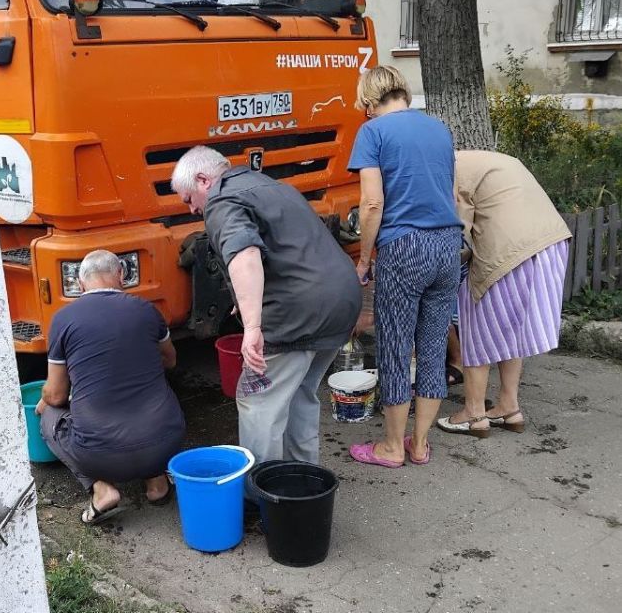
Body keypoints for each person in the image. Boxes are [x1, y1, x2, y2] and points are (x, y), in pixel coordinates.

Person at [171, 146, 361, 467]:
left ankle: (262, 494)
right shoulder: (272, 187)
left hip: (298, 314)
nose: (191, 210)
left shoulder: (221, 202)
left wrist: (253, 327)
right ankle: (299, 483)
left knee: (258, 400)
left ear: (204, 180)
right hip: (342, 302)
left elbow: (245, 255)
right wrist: (245, 303)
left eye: (189, 199)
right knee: (299, 392)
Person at [347, 65, 462, 468]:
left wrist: (364, 259)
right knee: (432, 347)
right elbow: (451, 194)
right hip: (447, 243)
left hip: (404, 246)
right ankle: (420, 443)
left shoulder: (373, 133)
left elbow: (372, 203)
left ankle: (392, 447)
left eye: (365, 106)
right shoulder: (439, 130)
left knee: (395, 349)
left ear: (369, 100)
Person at [36, 249, 185, 525]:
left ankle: (101, 488)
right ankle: (157, 483)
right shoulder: (147, 310)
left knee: (49, 418)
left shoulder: (64, 319)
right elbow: (170, 360)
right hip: (166, 442)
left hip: (101, 456)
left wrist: (46, 400)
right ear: (121, 275)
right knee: (156, 394)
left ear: (81, 284)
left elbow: (55, 394)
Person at [437, 150, 572, 437]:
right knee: (512, 331)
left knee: (477, 329)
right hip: (550, 244)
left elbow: (457, 232)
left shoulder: (448, 170)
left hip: (509, 253)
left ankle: (473, 414)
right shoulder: (489, 160)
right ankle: (509, 407)